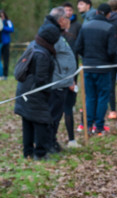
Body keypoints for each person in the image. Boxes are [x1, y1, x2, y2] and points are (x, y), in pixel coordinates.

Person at [14, 23, 60, 160]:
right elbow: (41, 79)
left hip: (25, 89)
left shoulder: (34, 45)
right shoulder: (42, 54)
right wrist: (47, 91)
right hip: (34, 92)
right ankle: (40, 153)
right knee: (41, 122)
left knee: (28, 120)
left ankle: (28, 152)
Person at [75, 3, 116, 136]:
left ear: (97, 12)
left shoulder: (85, 26)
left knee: (90, 97)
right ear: (108, 14)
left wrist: (87, 58)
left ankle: (88, 125)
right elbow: (112, 51)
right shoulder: (110, 27)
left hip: (88, 67)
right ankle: (99, 126)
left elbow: (78, 47)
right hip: (103, 68)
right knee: (102, 97)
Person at [47, 7, 77, 153]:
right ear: (60, 20)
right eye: (67, 18)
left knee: (58, 115)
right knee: (53, 115)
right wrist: (64, 77)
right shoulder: (53, 36)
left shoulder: (60, 35)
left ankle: (52, 141)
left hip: (64, 81)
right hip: (57, 82)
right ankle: (49, 143)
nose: (69, 20)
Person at [63, 2, 82, 148]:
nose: (68, 12)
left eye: (70, 10)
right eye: (66, 10)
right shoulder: (57, 36)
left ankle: (71, 140)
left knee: (69, 102)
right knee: (63, 108)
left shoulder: (77, 26)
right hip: (61, 73)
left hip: (73, 68)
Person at [0, 11, 13, 80]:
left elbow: (11, 29)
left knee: (6, 59)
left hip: (6, 43)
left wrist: (3, 27)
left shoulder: (8, 22)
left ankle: (5, 75)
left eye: (2, 15)